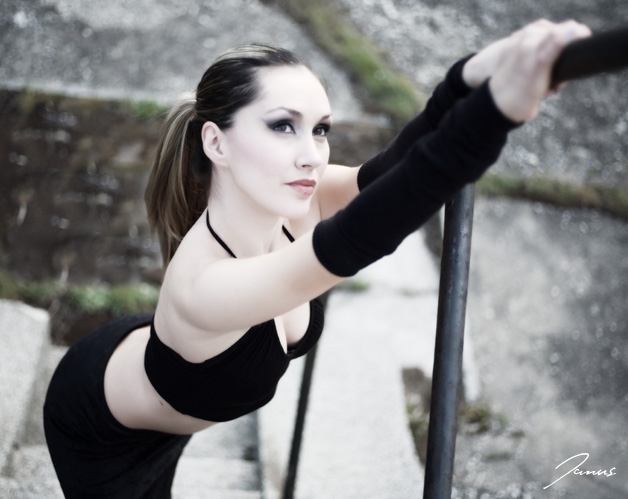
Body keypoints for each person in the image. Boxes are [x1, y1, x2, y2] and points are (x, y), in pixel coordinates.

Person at [43, 19, 590, 498]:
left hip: (161, 386)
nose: (311, 155)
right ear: (216, 143)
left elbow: (390, 172)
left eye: (320, 129)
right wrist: (494, 115)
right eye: (283, 125)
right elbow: (360, 236)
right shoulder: (203, 287)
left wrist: (473, 76)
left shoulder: (298, 200)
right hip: (102, 431)